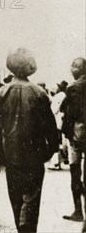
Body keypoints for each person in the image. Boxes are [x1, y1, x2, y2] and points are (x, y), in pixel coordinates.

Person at [0, 48, 58, 233]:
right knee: (32, 197)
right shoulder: (39, 93)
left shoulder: (0, 94)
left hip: (11, 153)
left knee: (16, 196)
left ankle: (21, 227)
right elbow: (50, 128)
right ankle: (27, 227)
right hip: (34, 154)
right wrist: (50, 150)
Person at [60, 57, 86, 222]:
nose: (71, 69)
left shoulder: (74, 87)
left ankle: (78, 211)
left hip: (78, 133)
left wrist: (66, 136)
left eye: (74, 67)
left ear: (80, 69)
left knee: (75, 173)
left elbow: (68, 112)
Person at [49, 80, 68, 170]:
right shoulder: (64, 95)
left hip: (56, 121)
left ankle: (56, 163)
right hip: (61, 121)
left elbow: (53, 109)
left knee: (56, 141)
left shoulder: (59, 96)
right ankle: (58, 161)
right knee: (59, 141)